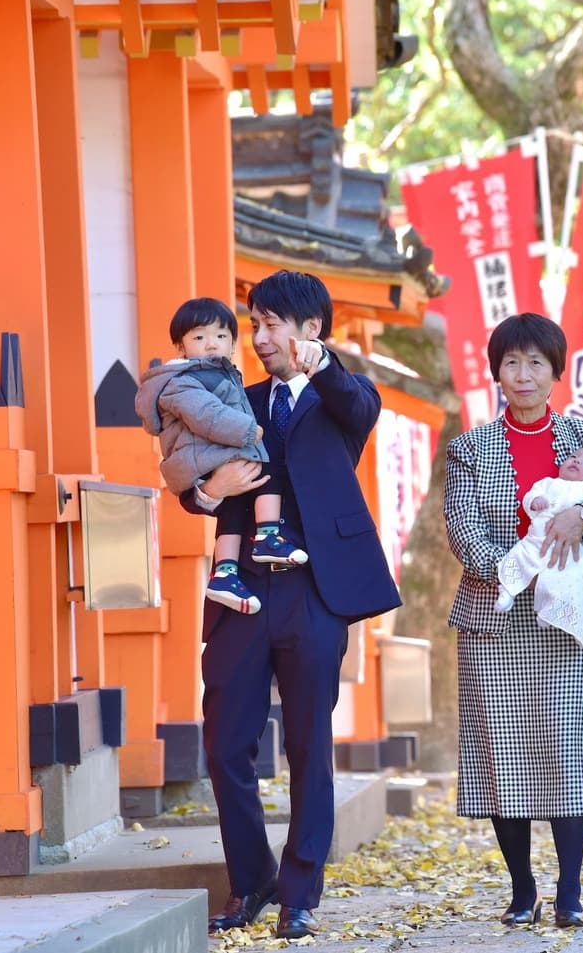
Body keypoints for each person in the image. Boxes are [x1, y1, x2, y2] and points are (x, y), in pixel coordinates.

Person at [180, 270, 402, 940]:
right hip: (239, 588)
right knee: (223, 744)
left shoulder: (346, 397)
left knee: (309, 745)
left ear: (311, 330)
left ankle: (299, 892)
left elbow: (357, 407)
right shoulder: (235, 401)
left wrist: (325, 365)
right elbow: (191, 479)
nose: (259, 336)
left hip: (316, 588)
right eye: (254, 322)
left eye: (272, 323)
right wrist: (212, 489)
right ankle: (252, 881)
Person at [443, 313, 583, 929]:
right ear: (496, 371)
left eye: (535, 363)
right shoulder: (469, 447)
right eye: (510, 363)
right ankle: (522, 887)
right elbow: (462, 526)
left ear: (557, 372)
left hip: (566, 619)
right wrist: (512, 572)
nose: (522, 375)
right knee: (504, 752)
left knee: (564, 748)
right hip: (494, 615)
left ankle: (571, 890)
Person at [135, 297, 308, 616]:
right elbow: (207, 415)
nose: (211, 344)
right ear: (181, 348)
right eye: (199, 338)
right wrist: (248, 432)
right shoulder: (183, 381)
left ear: (232, 343)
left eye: (220, 336)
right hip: (201, 458)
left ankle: (225, 572)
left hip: (208, 456)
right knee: (267, 465)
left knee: (238, 500)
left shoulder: (221, 376)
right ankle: (268, 536)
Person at [494, 446, 583, 647]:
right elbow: (530, 495)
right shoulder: (548, 483)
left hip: (569, 553)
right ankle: (507, 591)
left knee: (569, 580)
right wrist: (535, 501)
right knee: (518, 557)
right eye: (573, 456)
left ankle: (552, 611)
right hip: (537, 541)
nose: (577, 460)